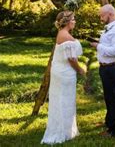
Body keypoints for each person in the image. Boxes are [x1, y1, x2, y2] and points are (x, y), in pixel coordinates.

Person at [41, 11, 85, 145]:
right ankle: (62, 132)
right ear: (67, 22)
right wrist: (80, 70)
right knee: (64, 100)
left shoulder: (62, 34)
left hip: (59, 71)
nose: (75, 21)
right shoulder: (66, 36)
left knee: (61, 100)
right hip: (65, 73)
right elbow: (71, 59)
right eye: (73, 19)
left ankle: (66, 130)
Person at [89, 4, 115, 137]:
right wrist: (98, 42)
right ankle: (109, 121)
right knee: (108, 97)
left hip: (112, 68)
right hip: (106, 68)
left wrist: (98, 46)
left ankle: (114, 130)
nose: (100, 18)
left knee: (113, 99)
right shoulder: (109, 29)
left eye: (102, 15)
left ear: (110, 14)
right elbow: (109, 45)